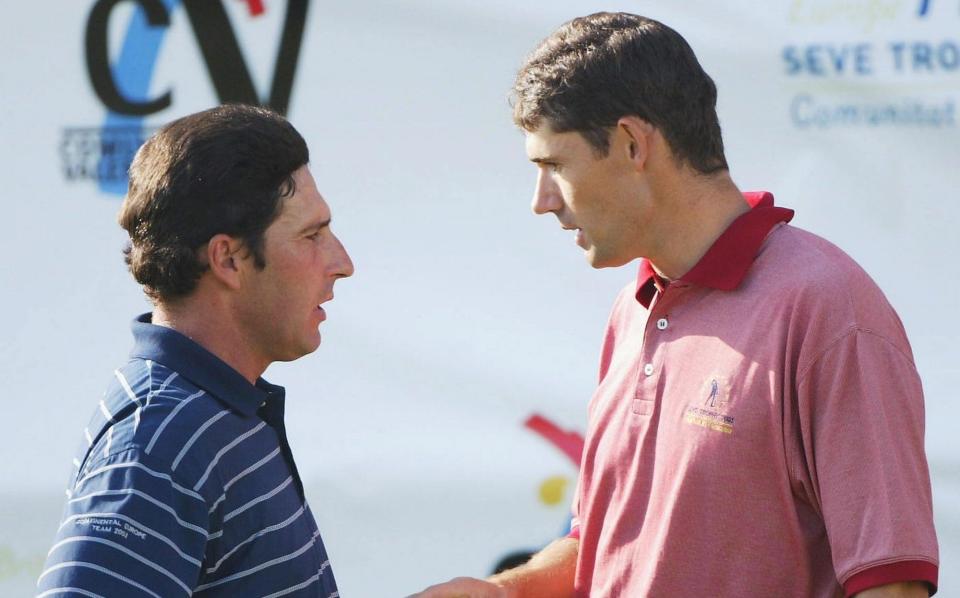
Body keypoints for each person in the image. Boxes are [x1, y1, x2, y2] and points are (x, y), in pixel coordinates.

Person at [416, 12, 938, 598]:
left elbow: (890, 586)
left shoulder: (830, 309)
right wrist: (508, 591)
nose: (541, 202)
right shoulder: (633, 306)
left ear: (633, 144)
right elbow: (607, 542)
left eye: (554, 166)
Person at [37, 104, 353, 597]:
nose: (342, 263)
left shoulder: (212, 413)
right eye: (312, 235)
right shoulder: (155, 443)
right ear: (228, 259)